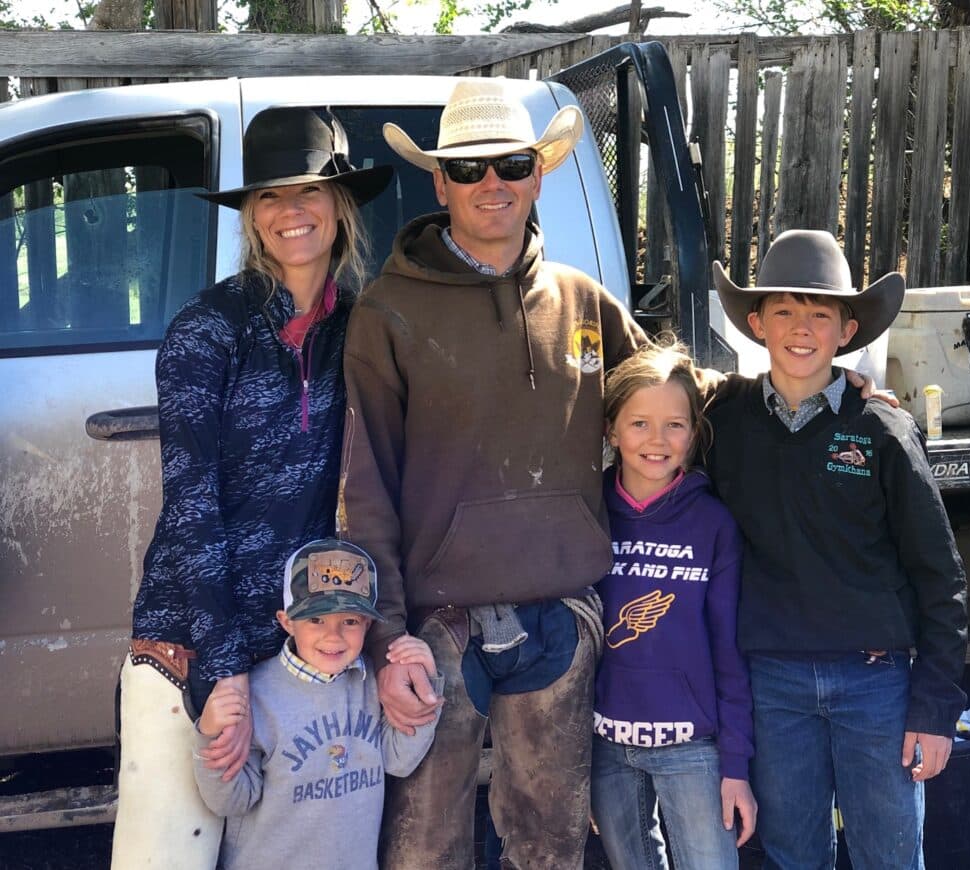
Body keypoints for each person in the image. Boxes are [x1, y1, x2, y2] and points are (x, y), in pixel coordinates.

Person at [338, 79, 650, 869]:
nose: (492, 185)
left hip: (560, 617)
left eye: (510, 165)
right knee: (423, 848)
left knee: (548, 846)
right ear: (439, 183)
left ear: (538, 173)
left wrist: (815, 386)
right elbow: (365, 484)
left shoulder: (581, 299)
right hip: (437, 629)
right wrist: (386, 638)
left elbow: (665, 397)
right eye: (469, 171)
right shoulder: (388, 312)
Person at [110, 106, 393, 870]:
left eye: (308, 190)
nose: (290, 211)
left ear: (341, 204)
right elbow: (191, 502)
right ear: (250, 215)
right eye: (268, 195)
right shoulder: (208, 330)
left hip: (295, 646)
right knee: (168, 856)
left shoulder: (357, 329)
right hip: (190, 637)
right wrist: (224, 668)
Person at [706, 229, 968, 870]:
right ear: (756, 322)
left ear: (847, 330)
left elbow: (941, 577)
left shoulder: (880, 428)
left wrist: (934, 708)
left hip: (874, 683)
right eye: (785, 311)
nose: (802, 328)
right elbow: (648, 393)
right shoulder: (723, 419)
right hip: (773, 682)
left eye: (820, 314)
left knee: (889, 855)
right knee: (795, 854)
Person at [590, 341, 757, 870]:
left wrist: (736, 766)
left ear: (694, 433)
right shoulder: (587, 512)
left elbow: (730, 652)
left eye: (675, 425)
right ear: (611, 429)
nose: (657, 440)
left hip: (693, 747)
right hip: (606, 749)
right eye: (639, 423)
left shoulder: (713, 524)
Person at [192, 538, 443, 870]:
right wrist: (209, 733)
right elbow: (230, 801)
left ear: (368, 624)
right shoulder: (257, 696)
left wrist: (426, 681)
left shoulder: (369, 683)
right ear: (287, 621)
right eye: (316, 620)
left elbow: (399, 759)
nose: (333, 635)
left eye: (350, 621)